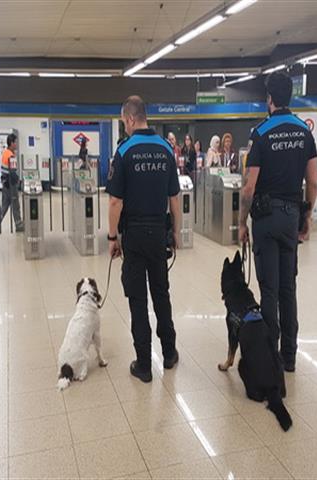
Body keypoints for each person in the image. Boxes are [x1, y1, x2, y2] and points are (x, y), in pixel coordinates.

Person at [238, 72, 317, 373]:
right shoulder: (304, 132)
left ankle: (270, 353)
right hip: (291, 217)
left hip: (266, 218)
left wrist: (242, 222)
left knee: (269, 289)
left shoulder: (261, 132)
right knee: (288, 288)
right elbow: (312, 182)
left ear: (269, 98)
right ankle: (290, 357)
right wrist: (306, 215)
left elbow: (249, 186)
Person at [107, 95, 181, 383]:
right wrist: (174, 232)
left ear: (129, 118)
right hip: (159, 233)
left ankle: (144, 365)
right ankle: (170, 353)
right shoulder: (166, 149)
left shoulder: (124, 151)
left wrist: (113, 237)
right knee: (161, 294)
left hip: (135, 236)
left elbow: (115, 202)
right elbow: (174, 198)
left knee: (138, 299)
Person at [0, 133, 23, 233]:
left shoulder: (5, 153)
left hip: (5, 183)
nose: (17, 144)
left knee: (5, 205)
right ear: (12, 143)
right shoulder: (11, 155)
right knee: (15, 204)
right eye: (16, 142)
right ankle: (19, 225)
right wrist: (18, 181)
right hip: (11, 184)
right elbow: (13, 173)